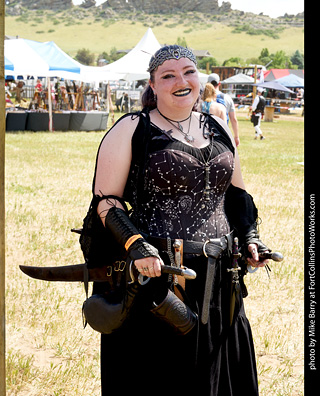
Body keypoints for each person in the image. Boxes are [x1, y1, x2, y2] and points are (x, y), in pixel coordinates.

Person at [91, 45, 270, 396]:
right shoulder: (132, 128)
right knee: (161, 378)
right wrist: (136, 245)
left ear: (199, 78)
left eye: (189, 71)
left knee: (217, 376)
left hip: (219, 277)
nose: (181, 81)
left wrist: (250, 236)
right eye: (168, 75)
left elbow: (237, 195)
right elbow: (106, 201)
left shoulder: (216, 125)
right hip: (159, 277)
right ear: (153, 85)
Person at [208, 73, 240, 146]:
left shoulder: (201, 99)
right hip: (222, 134)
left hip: (205, 135)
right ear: (219, 83)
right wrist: (236, 136)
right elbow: (233, 119)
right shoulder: (227, 98)